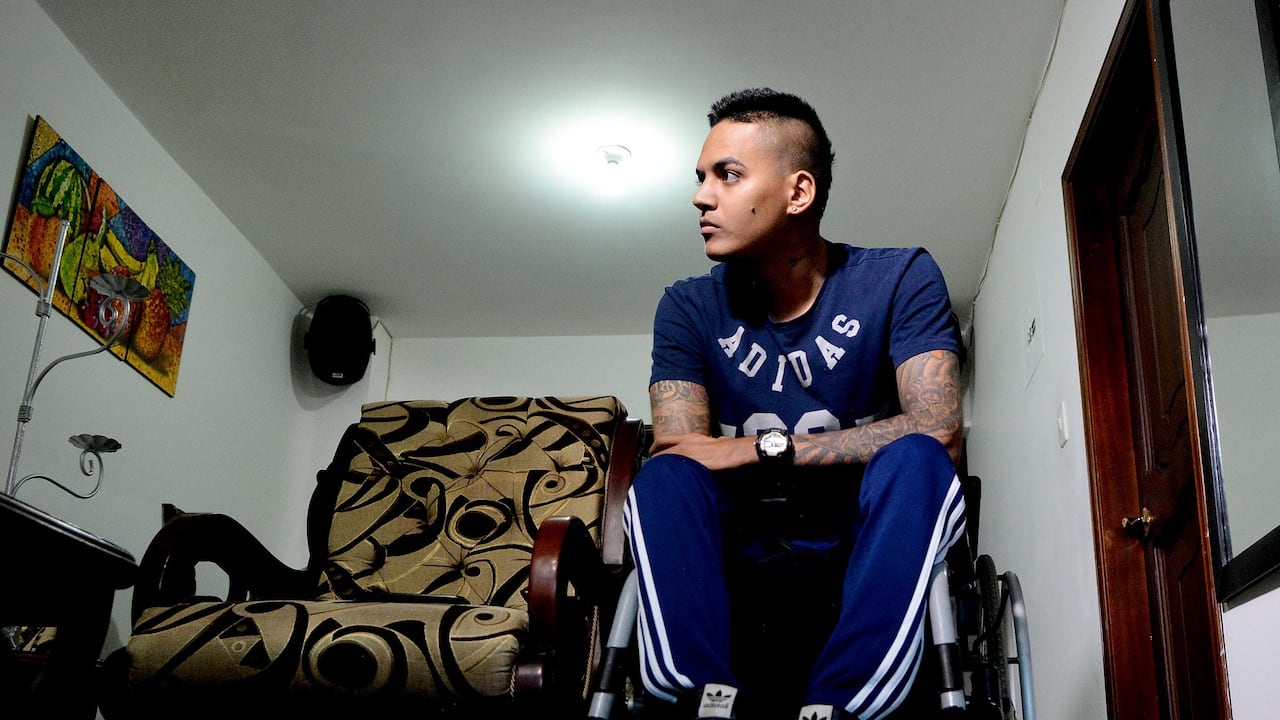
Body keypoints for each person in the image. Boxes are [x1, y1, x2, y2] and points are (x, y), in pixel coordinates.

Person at [623, 88, 967, 720]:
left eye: (727, 175)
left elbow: (938, 430)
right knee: (663, 478)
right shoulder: (687, 305)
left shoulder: (899, 277)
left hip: (868, 542)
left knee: (917, 458)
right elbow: (677, 449)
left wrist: (763, 450)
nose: (701, 196)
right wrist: (764, 452)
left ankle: (841, 707)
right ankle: (703, 702)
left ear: (798, 192)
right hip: (736, 548)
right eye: (701, 178)